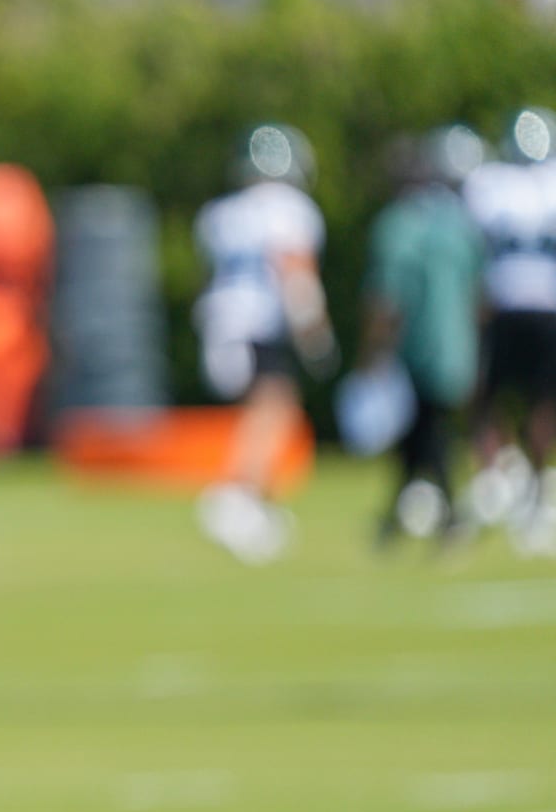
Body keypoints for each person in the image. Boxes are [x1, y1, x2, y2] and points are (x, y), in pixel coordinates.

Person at [191, 123, 338, 563]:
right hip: (258, 322)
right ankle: (239, 495)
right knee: (273, 408)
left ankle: (254, 500)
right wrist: (315, 330)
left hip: (220, 322)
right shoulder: (291, 210)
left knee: (265, 407)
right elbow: (294, 270)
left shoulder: (220, 213)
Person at [357, 125, 487, 543]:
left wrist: (372, 355)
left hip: (419, 348)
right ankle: (399, 520)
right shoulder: (456, 222)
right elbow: (479, 294)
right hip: (457, 344)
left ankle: (449, 516)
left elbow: (387, 299)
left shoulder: (396, 225)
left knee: (428, 433)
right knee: (423, 432)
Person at [461, 106, 556, 552]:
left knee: (488, 396)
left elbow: (474, 253)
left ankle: (504, 476)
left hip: (505, 305)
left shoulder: (489, 184)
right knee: (540, 400)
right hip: (544, 306)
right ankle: (529, 484)